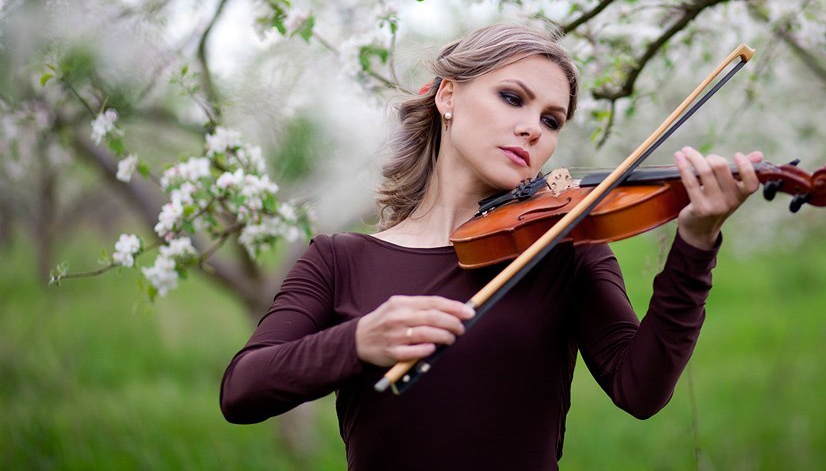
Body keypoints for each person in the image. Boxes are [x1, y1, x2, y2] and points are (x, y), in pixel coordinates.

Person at [220, 24, 761, 470]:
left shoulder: (562, 247)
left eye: (551, 120)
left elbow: (640, 389)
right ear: (447, 95)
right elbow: (242, 390)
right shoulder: (339, 259)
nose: (533, 130)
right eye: (512, 98)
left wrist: (695, 242)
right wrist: (359, 340)